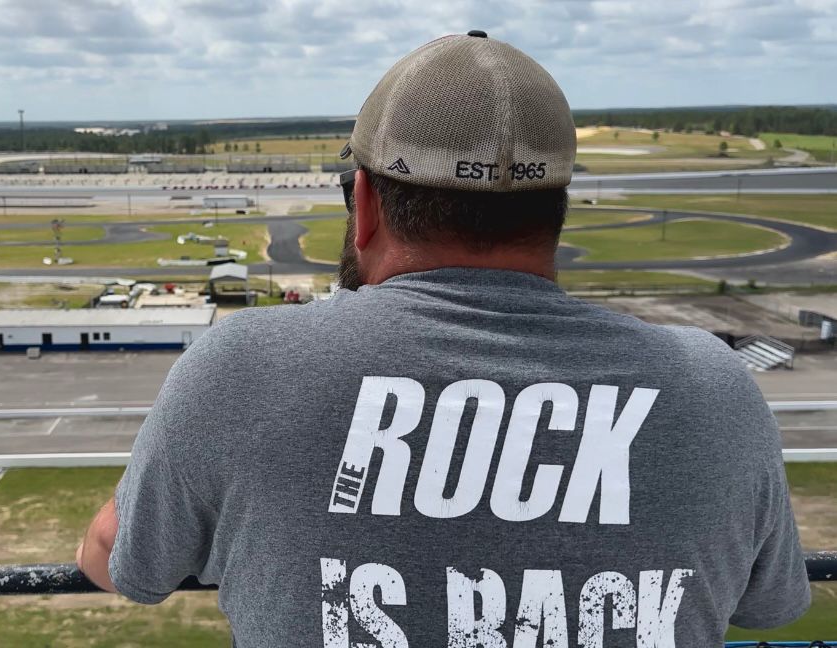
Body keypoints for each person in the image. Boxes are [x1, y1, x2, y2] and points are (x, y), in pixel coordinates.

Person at [78, 32, 809, 646]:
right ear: (556, 210)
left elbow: (121, 565)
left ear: (363, 205)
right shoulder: (714, 389)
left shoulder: (241, 367)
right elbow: (766, 605)